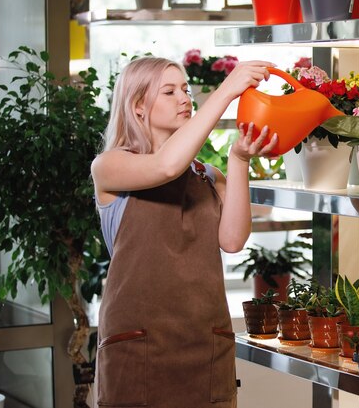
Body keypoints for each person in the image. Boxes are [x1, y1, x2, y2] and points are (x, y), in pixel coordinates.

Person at [90, 56, 277, 408]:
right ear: (138, 106)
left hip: (205, 347)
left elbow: (233, 240)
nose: (184, 98)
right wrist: (226, 91)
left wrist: (239, 160)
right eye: (169, 91)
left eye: (186, 89)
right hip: (139, 349)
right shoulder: (111, 166)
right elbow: (165, 166)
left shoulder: (209, 176)